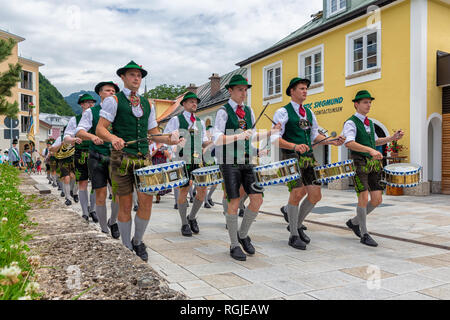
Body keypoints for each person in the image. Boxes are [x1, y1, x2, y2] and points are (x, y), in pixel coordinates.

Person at [96, 61, 182, 261]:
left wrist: (169, 139)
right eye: (132, 75)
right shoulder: (113, 101)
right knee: (125, 205)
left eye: (139, 75)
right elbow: (100, 129)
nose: (136, 78)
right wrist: (113, 138)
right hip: (120, 159)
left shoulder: (147, 103)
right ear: (123, 78)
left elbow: (153, 134)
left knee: (147, 202)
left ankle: (137, 240)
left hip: (144, 159)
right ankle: (126, 245)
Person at [271, 77, 345, 250]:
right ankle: (294, 235)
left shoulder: (310, 113)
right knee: (297, 193)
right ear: (292, 91)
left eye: (306, 89)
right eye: (301, 88)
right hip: (290, 156)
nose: (305, 91)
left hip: (309, 157)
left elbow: (314, 136)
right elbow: (275, 139)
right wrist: (294, 145)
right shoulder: (283, 112)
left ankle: (295, 223)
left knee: (315, 195)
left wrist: (331, 141)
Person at [214, 74, 281, 261]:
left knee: (257, 199)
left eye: (245, 90)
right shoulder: (223, 111)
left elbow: (251, 136)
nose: (244, 93)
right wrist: (238, 135)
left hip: (247, 162)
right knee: (234, 201)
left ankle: (242, 235)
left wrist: (271, 131)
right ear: (230, 91)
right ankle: (234, 244)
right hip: (229, 162)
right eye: (240, 90)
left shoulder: (249, 111)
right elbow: (217, 139)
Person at [343, 90, 404, 247]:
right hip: (359, 162)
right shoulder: (350, 122)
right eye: (365, 102)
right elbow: (349, 143)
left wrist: (392, 138)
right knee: (363, 197)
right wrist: (369, 150)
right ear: (356, 104)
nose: (368, 104)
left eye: (369, 102)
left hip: (373, 164)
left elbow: (375, 141)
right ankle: (364, 234)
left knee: (377, 199)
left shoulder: (369, 123)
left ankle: (354, 222)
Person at [76, 81, 121, 238]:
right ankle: (104, 228)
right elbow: (79, 131)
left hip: (117, 157)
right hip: (97, 156)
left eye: (113, 91)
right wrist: (93, 136)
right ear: (100, 94)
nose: (111, 93)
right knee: (100, 192)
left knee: (118, 193)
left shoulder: (120, 111)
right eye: (107, 90)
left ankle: (113, 221)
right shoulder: (91, 112)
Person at [164, 92, 212, 236]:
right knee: (184, 190)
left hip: (198, 160)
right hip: (182, 159)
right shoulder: (176, 120)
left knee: (203, 190)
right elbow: (167, 137)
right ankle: (184, 223)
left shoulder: (200, 122)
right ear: (184, 104)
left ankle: (191, 217)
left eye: (195, 102)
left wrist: (215, 139)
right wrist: (172, 148)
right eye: (191, 101)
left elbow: (204, 142)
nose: (194, 104)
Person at [65, 93, 98, 222]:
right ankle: (85, 211)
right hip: (80, 153)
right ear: (82, 105)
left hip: (95, 152)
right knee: (82, 182)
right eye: (87, 102)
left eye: (92, 102)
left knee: (97, 183)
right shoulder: (75, 119)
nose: (91, 105)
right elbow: (66, 137)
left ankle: (93, 209)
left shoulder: (98, 117)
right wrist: (73, 139)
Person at [50, 127, 78, 205]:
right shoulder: (60, 138)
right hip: (64, 160)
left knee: (77, 178)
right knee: (67, 177)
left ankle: (74, 192)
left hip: (75, 159)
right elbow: (52, 149)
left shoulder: (78, 136)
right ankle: (68, 198)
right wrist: (61, 144)